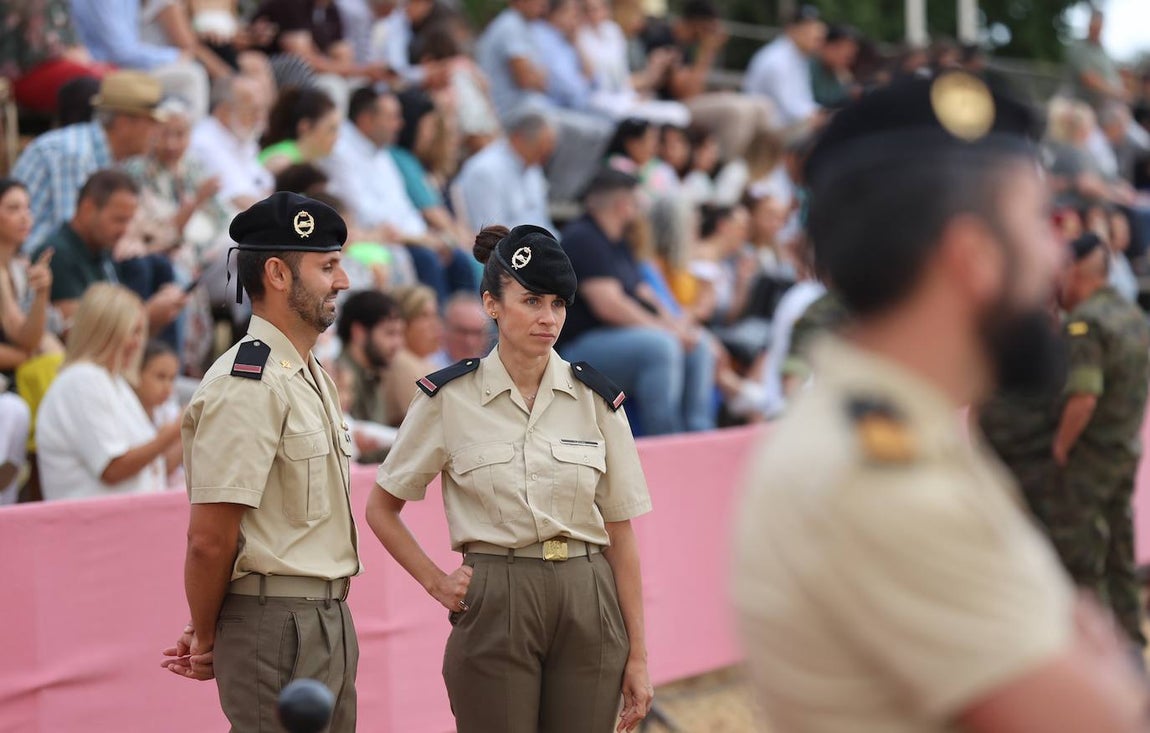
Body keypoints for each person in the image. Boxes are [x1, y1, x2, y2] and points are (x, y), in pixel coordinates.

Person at [733, 72, 1150, 731]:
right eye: (1039, 223)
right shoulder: (881, 479)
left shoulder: (896, 436)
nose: (1055, 255)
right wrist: (1099, 664)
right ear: (973, 257)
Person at [367, 223, 654, 733]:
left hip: (588, 595)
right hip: (496, 595)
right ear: (492, 304)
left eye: (558, 304)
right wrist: (436, 582)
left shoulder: (597, 400)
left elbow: (621, 532)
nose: (548, 318)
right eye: (531, 300)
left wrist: (639, 655)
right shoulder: (448, 398)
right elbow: (381, 508)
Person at [160, 192, 360, 732]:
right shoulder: (247, 384)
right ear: (276, 273)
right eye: (327, 267)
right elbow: (209, 538)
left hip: (325, 617)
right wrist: (206, 635)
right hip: (278, 624)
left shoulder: (309, 373)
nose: (342, 281)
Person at [557, 168, 715, 435]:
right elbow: (610, 306)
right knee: (661, 346)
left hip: (620, 339)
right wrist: (667, 331)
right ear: (622, 204)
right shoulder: (582, 237)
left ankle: (700, 434)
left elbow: (644, 293)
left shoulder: (618, 241)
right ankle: (665, 442)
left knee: (698, 345)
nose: (640, 210)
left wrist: (677, 327)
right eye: (636, 202)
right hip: (579, 349)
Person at [1052, 231, 1150, 650]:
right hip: (1125, 449)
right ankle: (1130, 644)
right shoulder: (1131, 315)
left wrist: (1060, 445)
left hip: (1090, 456)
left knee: (1083, 559)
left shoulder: (1085, 322)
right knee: (1120, 556)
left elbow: (1085, 396)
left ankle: (1091, 652)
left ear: (1075, 272)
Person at [35, 283, 180, 501]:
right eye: (134, 331)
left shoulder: (112, 381)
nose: (139, 343)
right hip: (92, 529)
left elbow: (151, 465)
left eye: (142, 332)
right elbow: (112, 468)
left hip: (122, 524)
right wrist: (177, 428)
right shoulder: (82, 379)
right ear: (107, 331)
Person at [12, 70, 165, 251]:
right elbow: (74, 237)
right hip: (31, 263)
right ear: (124, 122)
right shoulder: (73, 154)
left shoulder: (108, 157)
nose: (156, 132)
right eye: (151, 122)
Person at [33, 170, 188, 336]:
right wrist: (147, 315)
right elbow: (77, 333)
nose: (125, 230)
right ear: (88, 209)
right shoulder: (57, 253)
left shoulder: (102, 247)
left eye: (129, 220)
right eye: (119, 220)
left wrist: (160, 316)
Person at [69, 0, 211, 119]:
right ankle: (179, 140)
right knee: (192, 76)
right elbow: (120, 52)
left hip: (124, 66)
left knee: (191, 74)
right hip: (108, 69)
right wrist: (175, 56)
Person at [453, 109, 557, 234]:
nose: (545, 157)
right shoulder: (485, 171)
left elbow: (543, 222)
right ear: (519, 138)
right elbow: (491, 235)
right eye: (540, 149)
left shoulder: (533, 169)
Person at [336, 288, 406, 461]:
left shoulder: (372, 373)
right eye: (390, 333)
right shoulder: (338, 376)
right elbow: (356, 442)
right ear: (359, 332)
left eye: (400, 334)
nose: (398, 344)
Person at [189, 74, 275, 213]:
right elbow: (242, 201)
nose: (260, 119)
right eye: (253, 110)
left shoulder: (242, 138)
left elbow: (266, 186)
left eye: (262, 110)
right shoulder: (205, 142)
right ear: (224, 110)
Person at [743, 5, 827, 129]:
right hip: (768, 128)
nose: (816, 38)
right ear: (791, 30)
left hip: (783, 124)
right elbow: (789, 109)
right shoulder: (776, 59)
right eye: (808, 30)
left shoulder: (798, 57)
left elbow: (802, 102)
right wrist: (819, 117)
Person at [259, 86, 342, 174]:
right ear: (305, 127)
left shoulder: (310, 162)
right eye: (331, 129)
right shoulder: (282, 163)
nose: (338, 136)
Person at [432, 293, 491, 368]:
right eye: (462, 332)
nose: (469, 341)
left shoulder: (494, 370)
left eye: (477, 333)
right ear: (444, 329)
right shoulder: (426, 369)